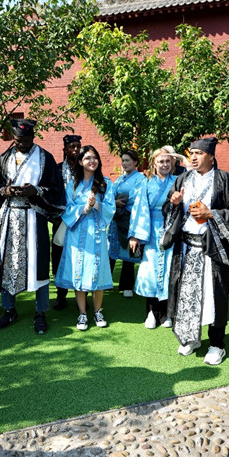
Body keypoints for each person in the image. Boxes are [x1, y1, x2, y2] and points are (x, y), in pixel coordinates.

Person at [161, 136, 229, 365]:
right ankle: (190, 338)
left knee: (213, 297)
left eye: (199, 153)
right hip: (186, 248)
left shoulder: (225, 180)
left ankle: (217, 344)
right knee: (186, 294)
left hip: (212, 249)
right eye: (191, 152)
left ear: (211, 156)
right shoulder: (183, 179)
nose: (194, 157)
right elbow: (167, 209)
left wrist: (212, 215)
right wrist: (174, 203)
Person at [0, 118, 65, 335]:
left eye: (27, 139)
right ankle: (9, 309)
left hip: (34, 217)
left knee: (38, 263)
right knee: (8, 263)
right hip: (10, 217)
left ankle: (40, 312)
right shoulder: (3, 159)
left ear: (33, 137)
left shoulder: (45, 158)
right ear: (13, 138)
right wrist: (5, 192)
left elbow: (56, 189)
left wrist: (37, 191)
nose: (23, 143)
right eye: (19, 140)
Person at [54, 145, 115, 330]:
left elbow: (110, 208)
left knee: (97, 270)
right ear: (80, 161)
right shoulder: (72, 185)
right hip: (77, 233)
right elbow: (66, 209)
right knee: (79, 272)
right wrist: (84, 209)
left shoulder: (105, 184)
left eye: (95, 157)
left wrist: (97, 206)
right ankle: (82, 313)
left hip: (97, 233)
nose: (92, 161)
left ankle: (97, 311)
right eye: (88, 158)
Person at [128, 147, 177, 329]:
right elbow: (139, 209)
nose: (164, 164)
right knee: (151, 271)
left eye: (167, 161)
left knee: (169, 271)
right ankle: (150, 312)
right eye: (161, 161)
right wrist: (136, 235)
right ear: (154, 164)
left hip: (172, 230)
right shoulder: (146, 184)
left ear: (172, 163)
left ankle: (166, 314)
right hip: (152, 231)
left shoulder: (178, 181)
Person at [108, 149, 146, 298]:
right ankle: (107, 281)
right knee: (111, 250)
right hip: (116, 219)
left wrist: (121, 201)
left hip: (130, 217)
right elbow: (110, 195)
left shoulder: (140, 179)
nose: (124, 164)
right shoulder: (120, 179)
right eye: (123, 160)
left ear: (135, 162)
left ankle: (127, 285)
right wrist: (114, 202)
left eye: (127, 160)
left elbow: (137, 199)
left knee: (129, 251)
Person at [51, 134, 82, 310]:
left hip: (82, 219)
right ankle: (61, 295)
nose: (75, 150)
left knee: (80, 257)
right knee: (59, 257)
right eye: (72, 147)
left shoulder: (85, 169)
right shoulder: (56, 170)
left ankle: (81, 294)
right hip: (61, 219)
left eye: (78, 146)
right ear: (65, 150)